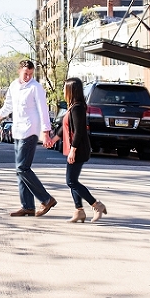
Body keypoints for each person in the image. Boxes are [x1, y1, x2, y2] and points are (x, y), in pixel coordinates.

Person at [0, 59, 57, 217]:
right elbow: (6, 108)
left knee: (22, 168)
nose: (28, 77)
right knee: (21, 170)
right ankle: (28, 206)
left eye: (30, 74)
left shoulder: (36, 88)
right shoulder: (14, 86)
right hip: (18, 131)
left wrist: (46, 132)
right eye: (25, 73)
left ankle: (46, 199)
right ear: (19, 71)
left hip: (30, 130)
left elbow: (44, 110)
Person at [45, 77, 107, 223]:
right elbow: (64, 128)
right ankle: (79, 211)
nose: (63, 91)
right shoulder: (73, 106)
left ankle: (96, 204)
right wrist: (53, 140)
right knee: (73, 180)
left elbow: (79, 131)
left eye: (65, 88)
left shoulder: (78, 107)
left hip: (78, 149)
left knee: (71, 181)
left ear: (72, 90)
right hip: (73, 148)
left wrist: (73, 149)